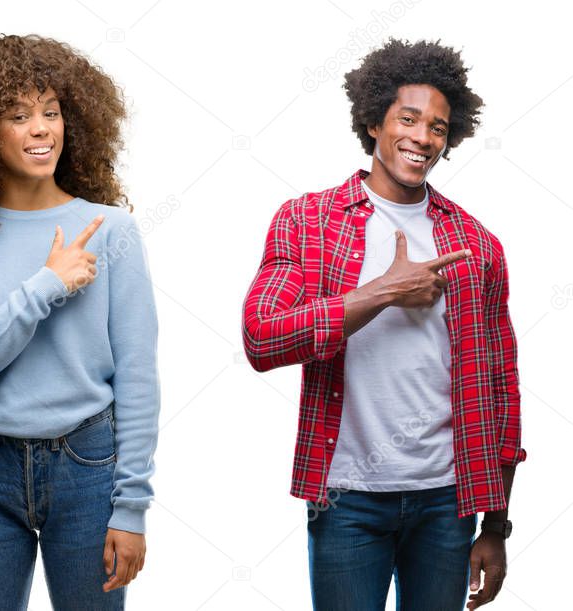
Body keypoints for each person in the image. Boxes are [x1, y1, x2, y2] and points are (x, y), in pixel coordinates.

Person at [242, 39, 525, 610]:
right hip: (347, 499)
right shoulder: (308, 220)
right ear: (374, 121)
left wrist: (495, 525)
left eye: (439, 128)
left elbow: (501, 390)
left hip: (449, 499)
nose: (423, 137)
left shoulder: (477, 245)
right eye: (410, 118)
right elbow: (261, 337)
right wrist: (384, 292)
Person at [0, 34, 160, 610]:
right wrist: (45, 286)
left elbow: (138, 376)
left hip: (89, 468)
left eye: (51, 111)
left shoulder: (109, 230)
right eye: (19, 116)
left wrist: (132, 507)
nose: (42, 128)